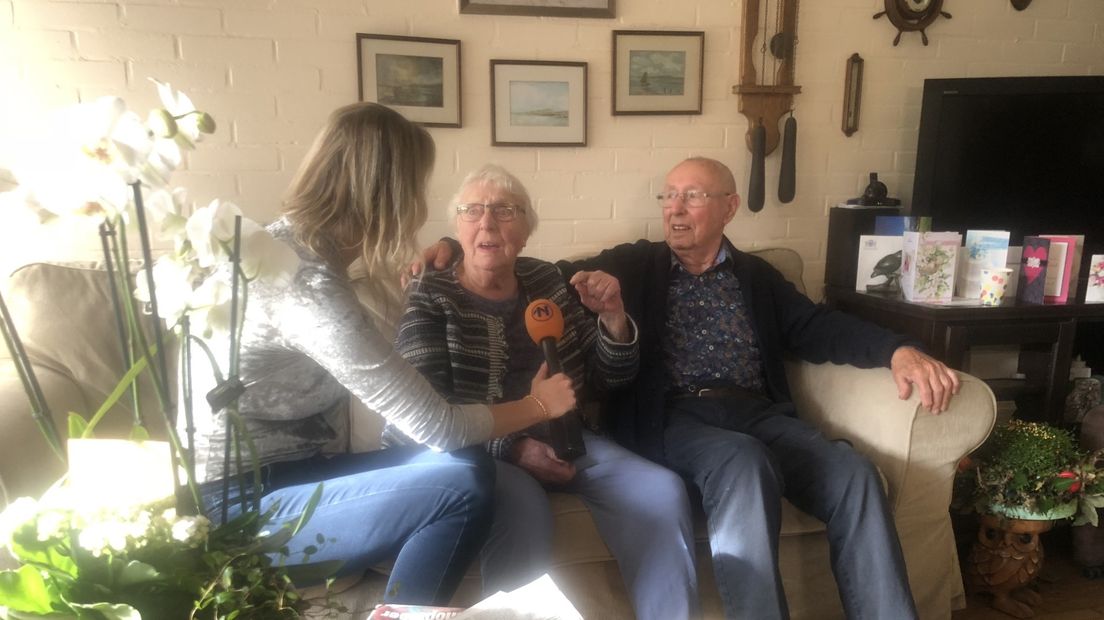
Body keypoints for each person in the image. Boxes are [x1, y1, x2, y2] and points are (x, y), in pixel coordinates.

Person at [424, 157, 961, 619]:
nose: (674, 209)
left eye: (692, 197)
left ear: (729, 207)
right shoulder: (633, 264)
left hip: (760, 416)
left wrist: (897, 349)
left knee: (855, 474)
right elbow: (520, 265)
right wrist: (455, 242)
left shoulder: (758, 276)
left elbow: (817, 326)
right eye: (669, 197)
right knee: (742, 461)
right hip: (676, 419)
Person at [187, 103, 576, 606]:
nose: (420, 203)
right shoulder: (304, 284)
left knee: (462, 471)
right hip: (238, 505)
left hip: (294, 472)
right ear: (391, 194)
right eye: (417, 187)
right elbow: (439, 427)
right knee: (459, 484)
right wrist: (539, 406)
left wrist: (455, 244)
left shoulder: (284, 248)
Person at [388, 164, 698, 619]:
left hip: (570, 437)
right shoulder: (431, 295)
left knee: (662, 490)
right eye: (473, 211)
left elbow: (609, 378)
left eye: (504, 211)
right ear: (456, 227)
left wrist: (612, 319)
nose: (488, 223)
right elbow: (425, 411)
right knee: (525, 509)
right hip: (477, 451)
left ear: (527, 230)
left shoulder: (547, 281)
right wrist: (513, 447)